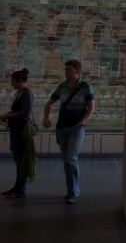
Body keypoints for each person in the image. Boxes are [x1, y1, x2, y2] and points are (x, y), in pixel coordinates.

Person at [42, 59, 95, 204]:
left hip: (76, 128)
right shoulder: (62, 86)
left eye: (69, 69)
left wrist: (82, 122)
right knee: (66, 160)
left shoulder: (85, 87)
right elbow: (49, 103)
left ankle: (73, 191)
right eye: (65, 69)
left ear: (77, 71)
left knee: (71, 158)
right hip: (62, 127)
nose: (66, 71)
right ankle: (70, 189)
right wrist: (46, 118)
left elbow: (91, 108)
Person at [1, 68, 35, 199]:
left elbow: (25, 113)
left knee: (21, 159)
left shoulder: (28, 93)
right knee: (17, 158)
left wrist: (8, 115)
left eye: (13, 81)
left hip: (22, 129)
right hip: (16, 128)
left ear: (20, 81)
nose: (11, 84)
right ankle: (16, 187)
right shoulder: (19, 93)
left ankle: (20, 190)